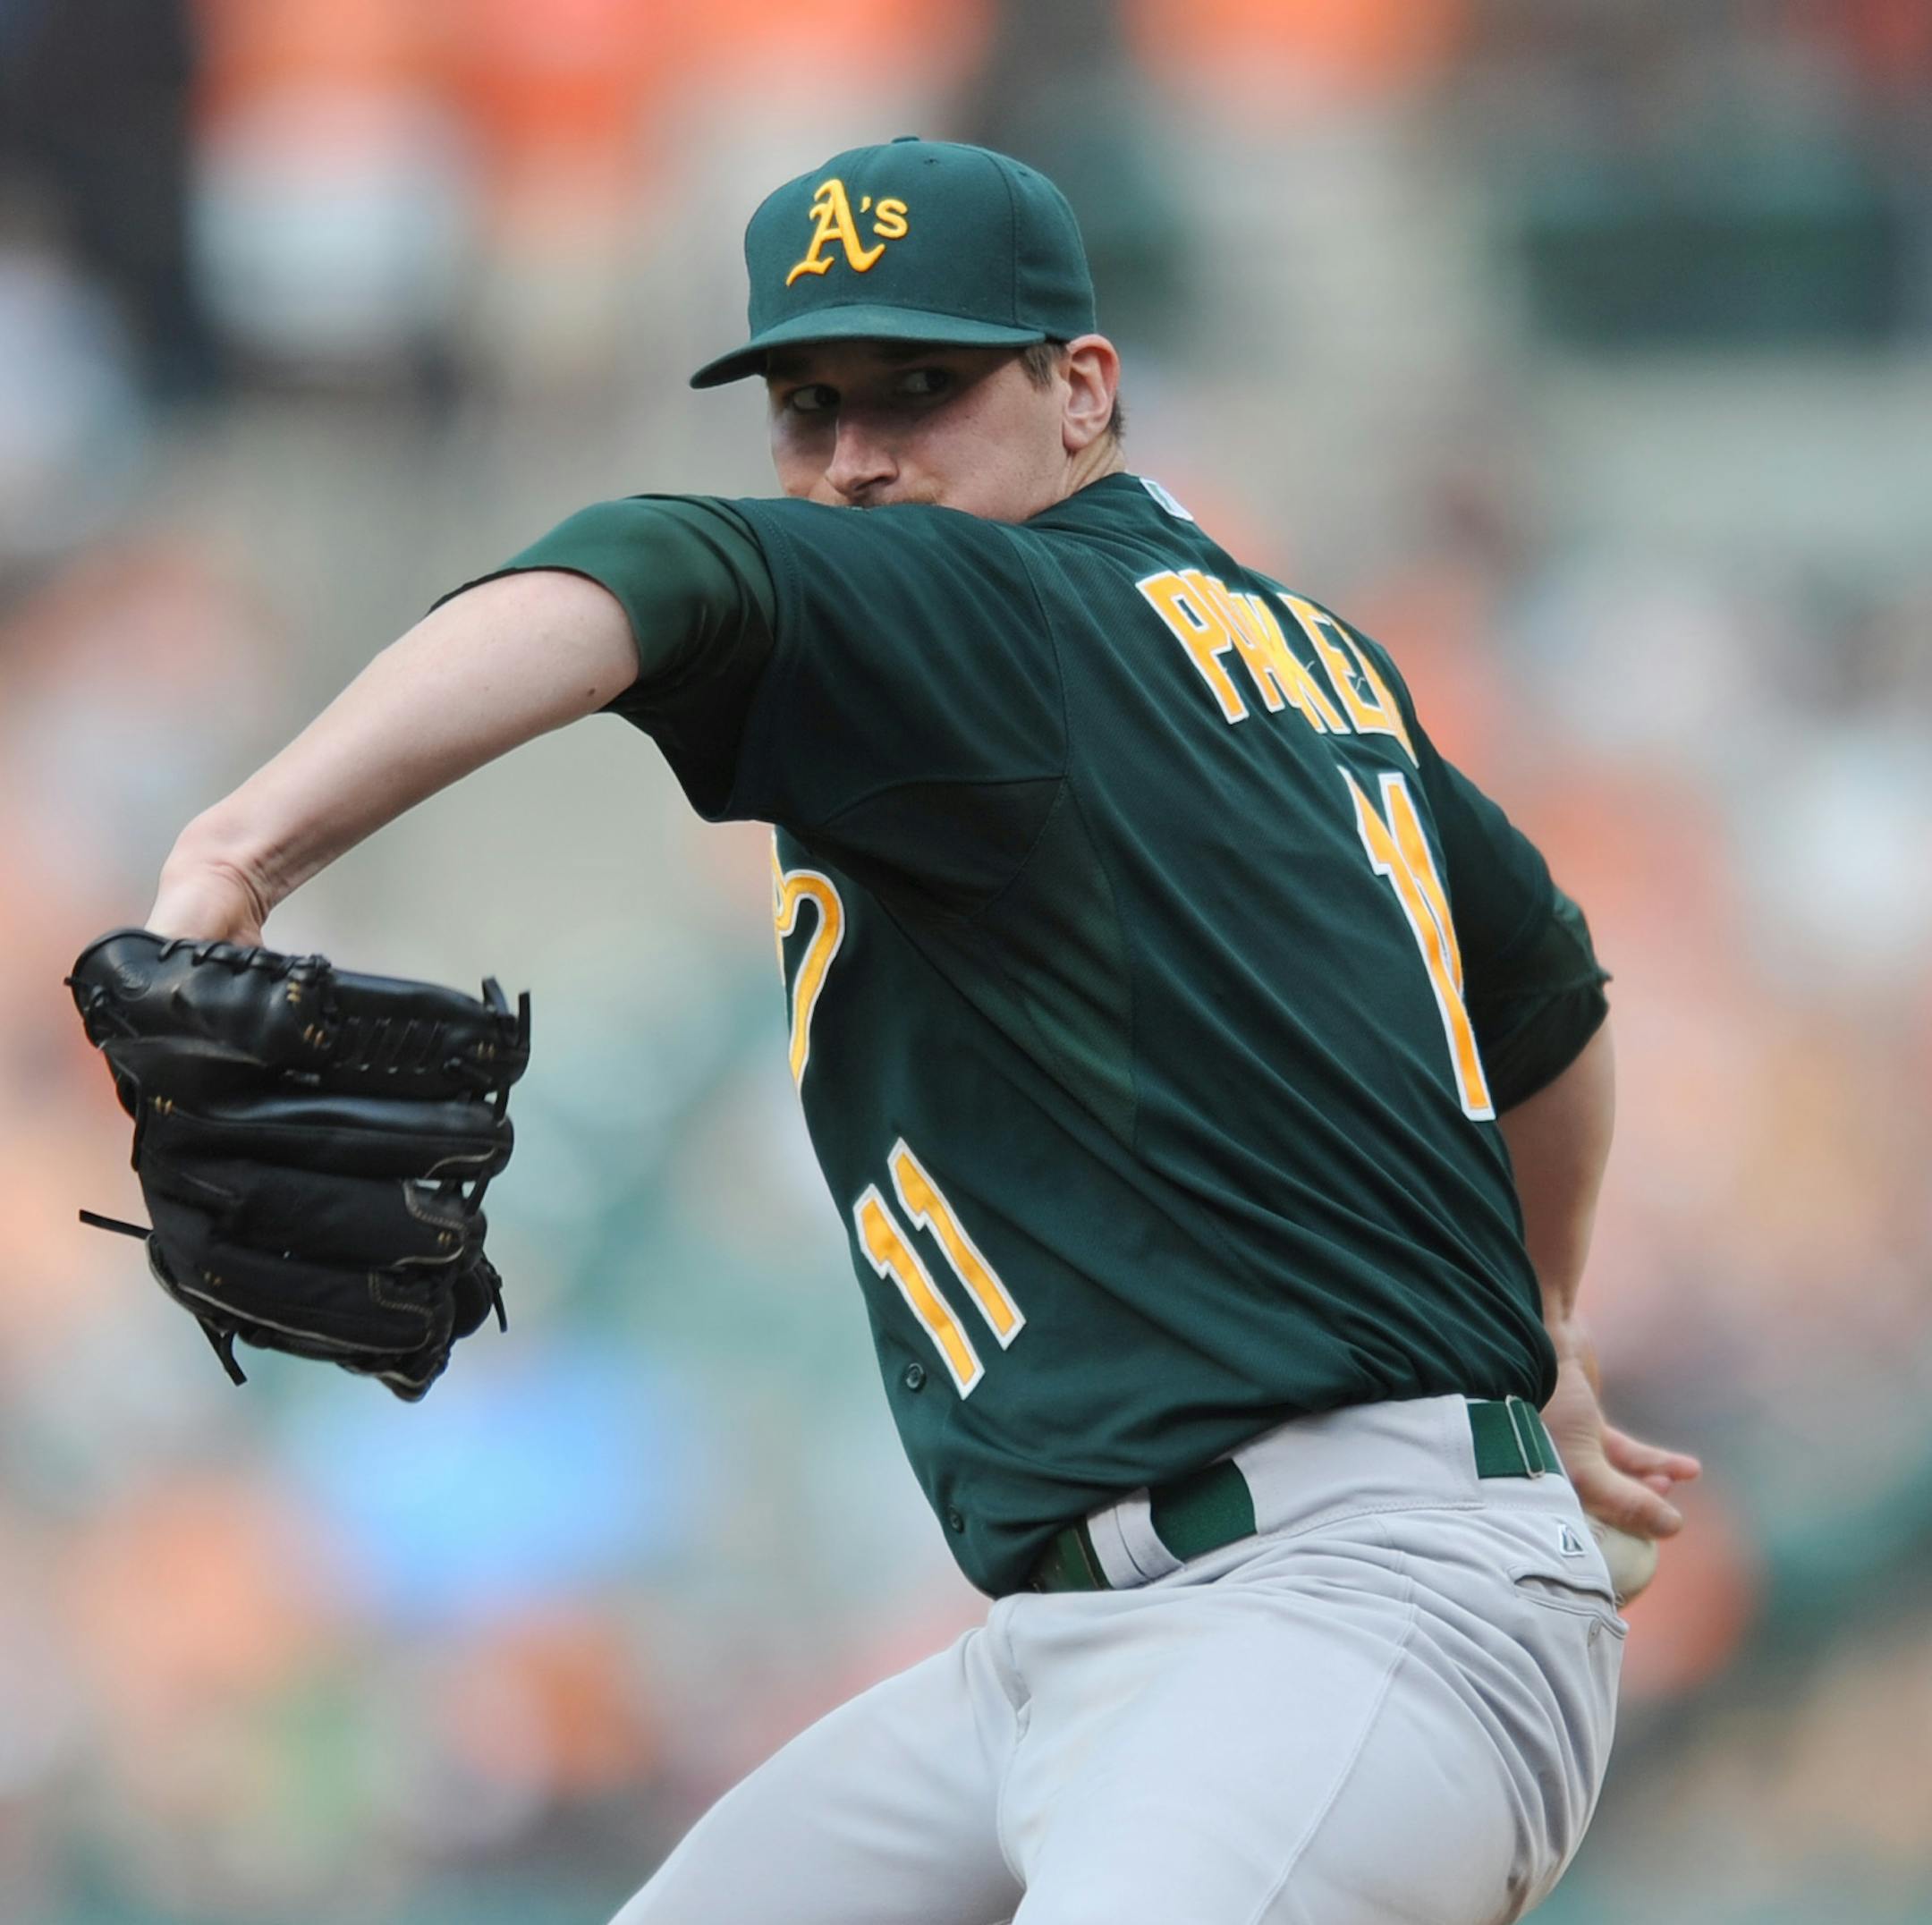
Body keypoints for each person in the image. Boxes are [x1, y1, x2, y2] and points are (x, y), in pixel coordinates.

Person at [146, 138, 1700, 1923]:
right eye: (808, 406)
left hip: (1334, 1625)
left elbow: (656, 571)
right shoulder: (1279, 646)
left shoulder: (998, 605)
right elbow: (1547, 996)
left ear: (1081, 391)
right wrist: (1545, 1328)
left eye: (922, 387)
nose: (857, 457)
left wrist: (242, 844)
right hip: (1101, 1635)